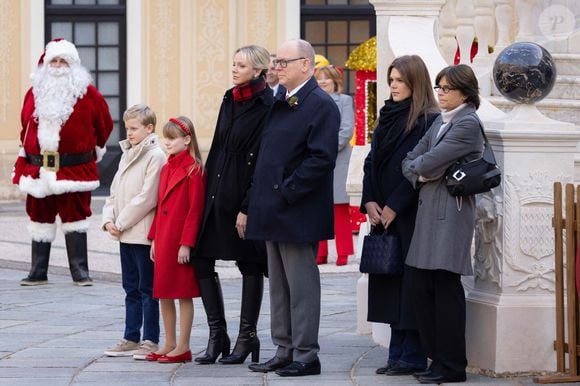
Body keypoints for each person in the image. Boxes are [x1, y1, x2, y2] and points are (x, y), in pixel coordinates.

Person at [245, 39, 340, 377]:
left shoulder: (320, 104)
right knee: (279, 286)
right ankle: (283, 348)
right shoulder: (280, 100)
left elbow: (321, 159)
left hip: (297, 209)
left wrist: (287, 192)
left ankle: (306, 353)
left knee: (301, 286)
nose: (277, 67)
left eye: (284, 62)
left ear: (306, 65)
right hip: (273, 207)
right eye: (276, 61)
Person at [402, 64, 483, 384]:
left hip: (451, 214)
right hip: (429, 213)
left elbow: (428, 162)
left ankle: (452, 365)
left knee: (445, 289)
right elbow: (410, 160)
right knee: (422, 288)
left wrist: (422, 170)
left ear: (465, 92)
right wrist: (422, 170)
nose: (441, 94)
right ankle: (437, 360)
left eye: (447, 88)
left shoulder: (467, 124)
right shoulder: (439, 121)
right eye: (439, 88)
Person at [193, 45, 273, 365]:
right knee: (201, 258)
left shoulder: (268, 104)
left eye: (241, 65)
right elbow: (217, 147)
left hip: (241, 197)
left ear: (258, 70)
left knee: (249, 263)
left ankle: (246, 337)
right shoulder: (230, 97)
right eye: (234, 64)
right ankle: (217, 335)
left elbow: (262, 161)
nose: (235, 69)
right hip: (216, 192)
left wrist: (248, 206)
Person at [360, 55, 439, 376]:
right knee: (389, 283)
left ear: (415, 83)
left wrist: (395, 204)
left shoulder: (428, 120)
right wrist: (369, 201)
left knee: (411, 286)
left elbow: (421, 169)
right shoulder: (387, 116)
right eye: (391, 79)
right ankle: (397, 353)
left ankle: (414, 355)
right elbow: (370, 162)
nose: (392, 85)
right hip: (381, 215)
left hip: (410, 215)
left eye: (399, 81)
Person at [12, 38, 113, 286]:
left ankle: (80, 271)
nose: (58, 66)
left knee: (76, 219)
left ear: (73, 66)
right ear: (46, 65)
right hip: (39, 168)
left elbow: (105, 125)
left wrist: (93, 149)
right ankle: (38, 271)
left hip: (74, 169)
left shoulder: (89, 95)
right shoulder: (34, 93)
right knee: (39, 219)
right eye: (54, 61)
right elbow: (25, 126)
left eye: (63, 61)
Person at [102, 104, 166, 359]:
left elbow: (147, 197)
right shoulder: (127, 153)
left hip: (141, 233)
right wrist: (109, 220)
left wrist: (123, 221)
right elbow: (114, 192)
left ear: (149, 128)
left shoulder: (155, 155)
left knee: (147, 289)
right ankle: (130, 336)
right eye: (127, 128)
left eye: (134, 128)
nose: (128, 133)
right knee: (130, 287)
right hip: (125, 234)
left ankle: (150, 339)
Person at [146, 116, 206, 363]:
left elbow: (195, 210)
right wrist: (154, 239)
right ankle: (169, 342)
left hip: (180, 241)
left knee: (183, 293)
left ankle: (183, 346)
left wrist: (186, 243)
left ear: (187, 140)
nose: (167, 143)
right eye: (165, 138)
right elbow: (160, 207)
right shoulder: (166, 168)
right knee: (164, 293)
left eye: (172, 138)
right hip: (164, 238)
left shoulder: (194, 170)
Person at [314, 65, 355, 266]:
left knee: (339, 211)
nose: (322, 82)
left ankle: (343, 253)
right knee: (318, 209)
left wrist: (325, 149)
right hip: (316, 162)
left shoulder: (345, 101)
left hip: (337, 160)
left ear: (335, 81)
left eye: (326, 79)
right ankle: (320, 252)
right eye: (319, 79)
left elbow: (346, 129)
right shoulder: (311, 102)